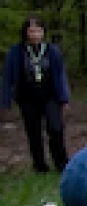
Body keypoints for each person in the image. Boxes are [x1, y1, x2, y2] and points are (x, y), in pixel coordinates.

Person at [2, 16, 71, 173]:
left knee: (55, 128)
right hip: (27, 96)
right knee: (33, 131)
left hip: (49, 95)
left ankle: (61, 162)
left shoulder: (52, 50)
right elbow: (7, 76)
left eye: (38, 31)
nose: (35, 35)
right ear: (26, 32)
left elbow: (60, 74)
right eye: (31, 31)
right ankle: (39, 165)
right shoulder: (16, 52)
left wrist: (64, 97)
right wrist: (6, 100)